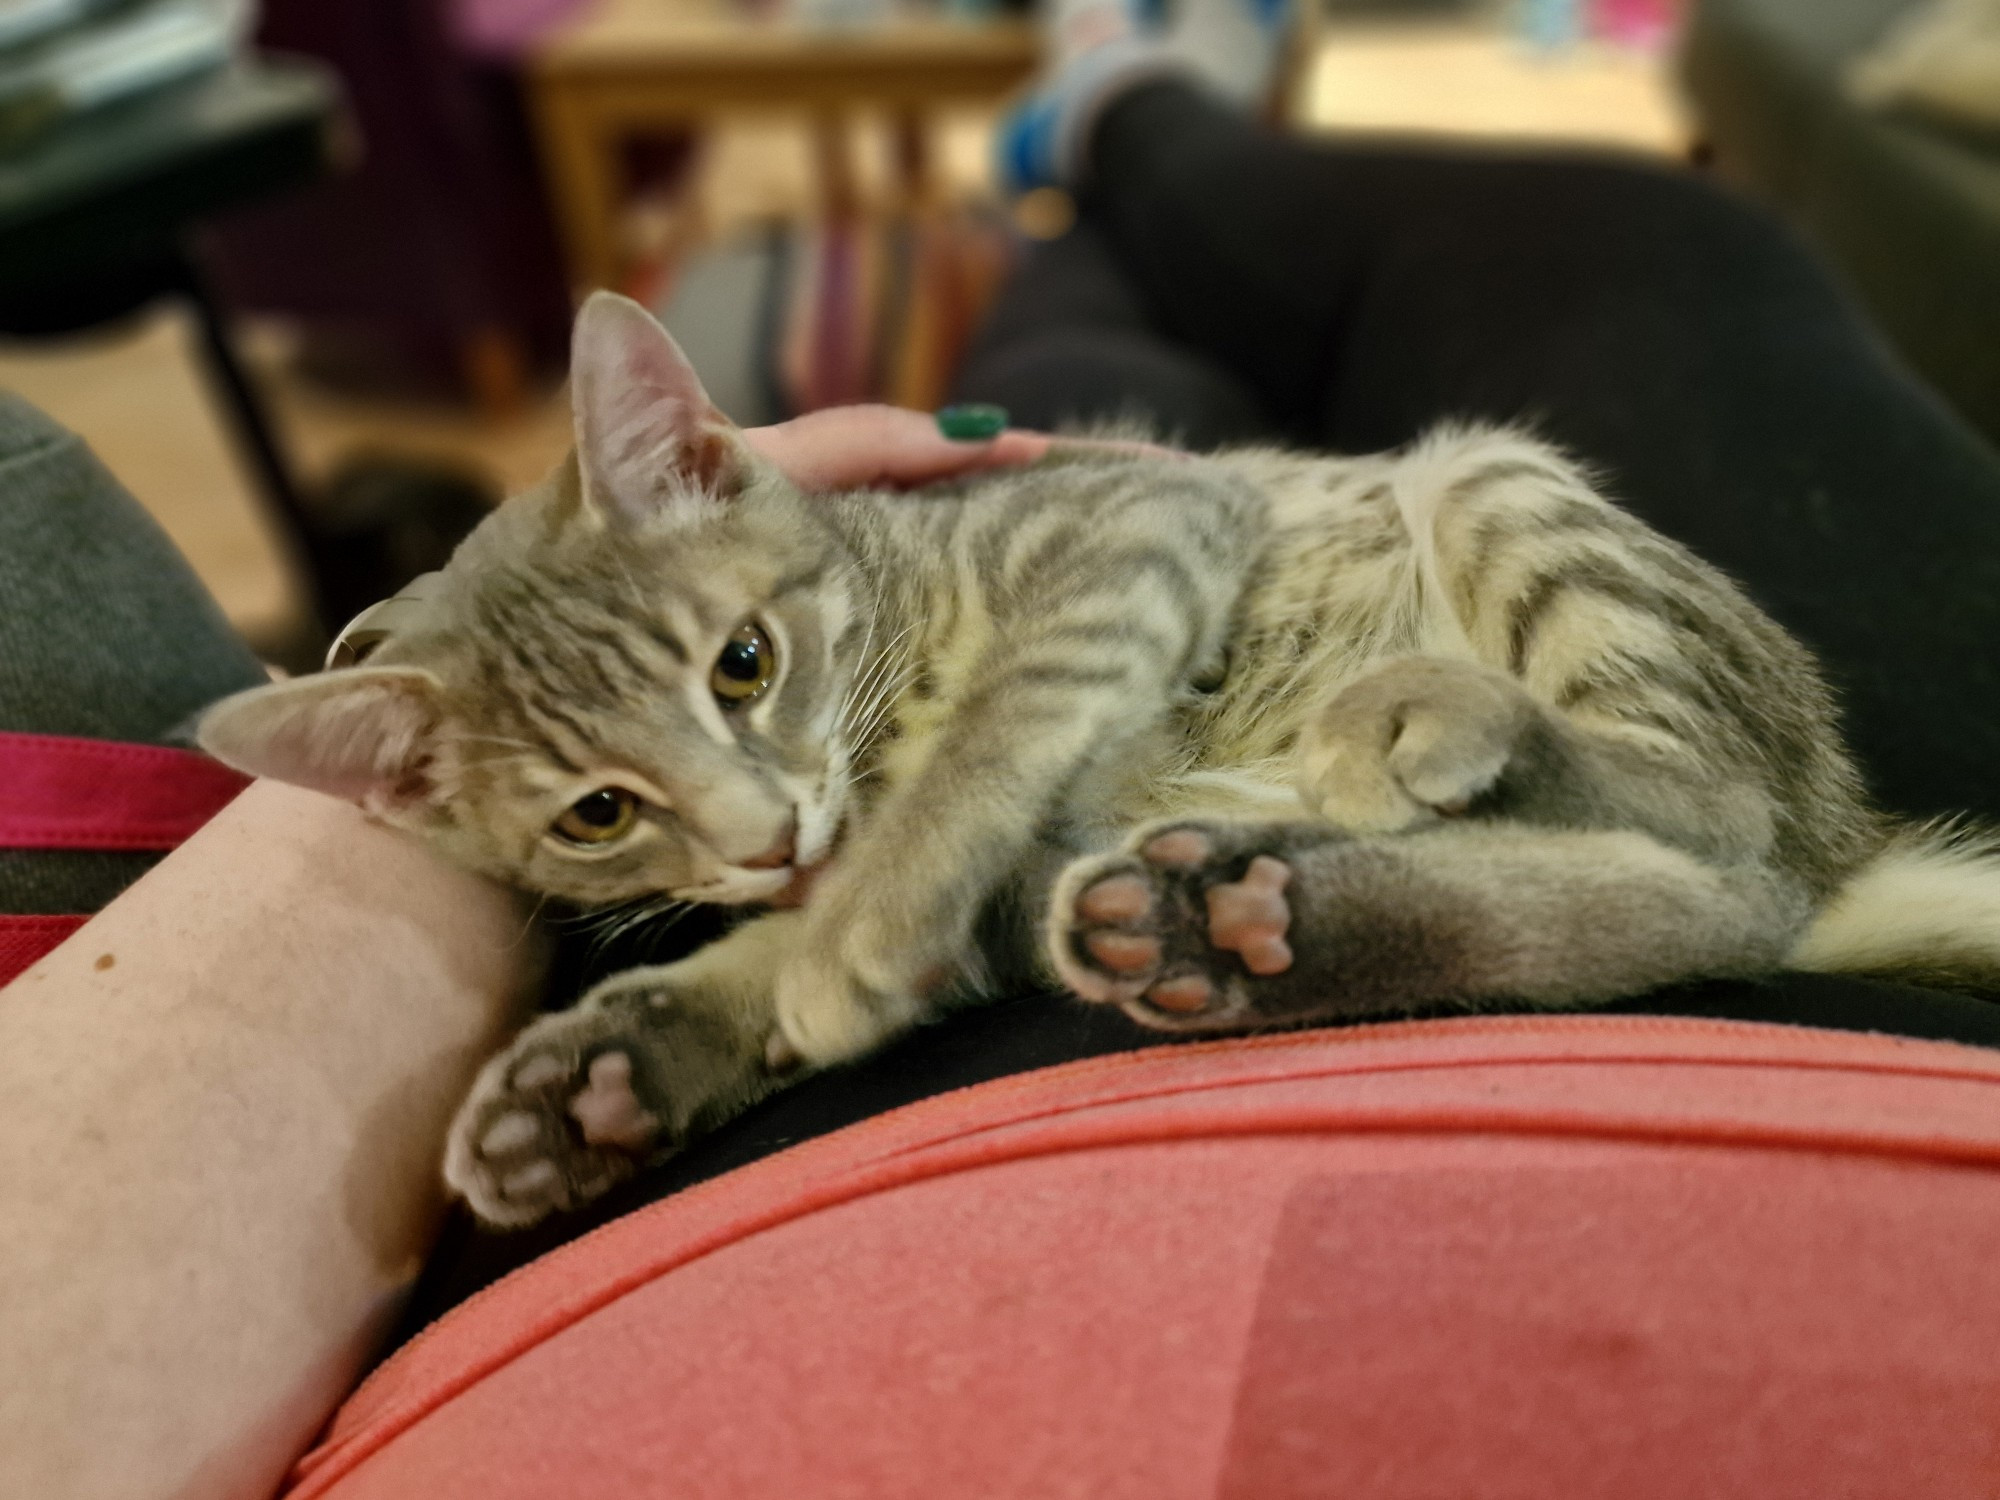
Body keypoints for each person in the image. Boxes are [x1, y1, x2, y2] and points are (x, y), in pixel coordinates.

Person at [5, 0, 2000, 1490]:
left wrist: (912, 826)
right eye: (610, 819)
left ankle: (1104, 140)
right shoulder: (753, 728)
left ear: (696, 462)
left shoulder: (829, 583)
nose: (762, 824)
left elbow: (1166, 522)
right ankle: (1133, 125)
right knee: (1593, 274)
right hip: (1285, 925)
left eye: (732, 687)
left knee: (1323, 452)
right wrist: (748, 952)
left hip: (1356, 642)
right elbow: (874, 898)